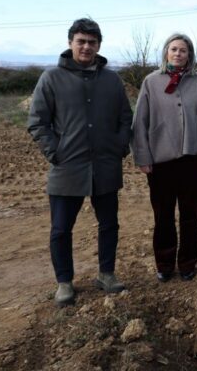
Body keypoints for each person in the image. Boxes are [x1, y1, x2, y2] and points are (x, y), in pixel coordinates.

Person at [28, 18, 132, 306]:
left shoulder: (111, 80)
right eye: (81, 41)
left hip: (105, 167)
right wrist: (55, 152)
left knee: (109, 223)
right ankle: (64, 282)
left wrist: (119, 147)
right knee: (61, 228)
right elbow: (38, 122)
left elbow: (126, 117)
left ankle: (106, 274)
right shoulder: (51, 78)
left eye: (92, 42)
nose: (86, 47)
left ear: (99, 45)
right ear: (71, 43)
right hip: (67, 168)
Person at [131, 34, 197, 282]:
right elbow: (140, 122)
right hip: (161, 162)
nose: (178, 54)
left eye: (183, 50)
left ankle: (188, 262)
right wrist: (143, 156)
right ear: (166, 52)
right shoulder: (151, 82)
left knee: (191, 215)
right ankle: (164, 264)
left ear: (190, 55)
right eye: (174, 49)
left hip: (192, 161)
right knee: (163, 215)